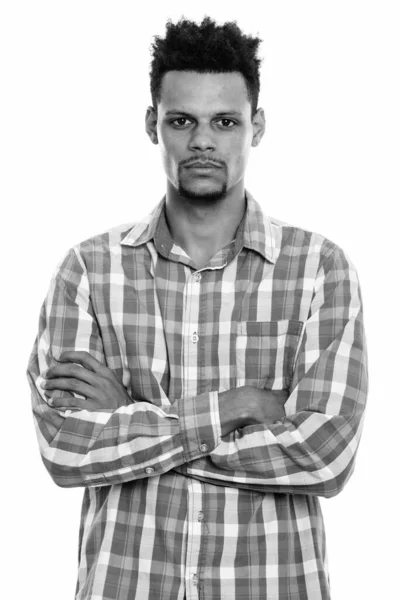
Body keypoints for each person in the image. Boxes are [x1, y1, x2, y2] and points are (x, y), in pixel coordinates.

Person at [27, 16, 368, 600]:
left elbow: (323, 457)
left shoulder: (319, 270)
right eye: (182, 120)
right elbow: (65, 447)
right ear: (151, 124)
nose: (203, 141)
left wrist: (134, 418)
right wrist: (237, 406)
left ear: (255, 127)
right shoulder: (87, 270)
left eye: (225, 121)